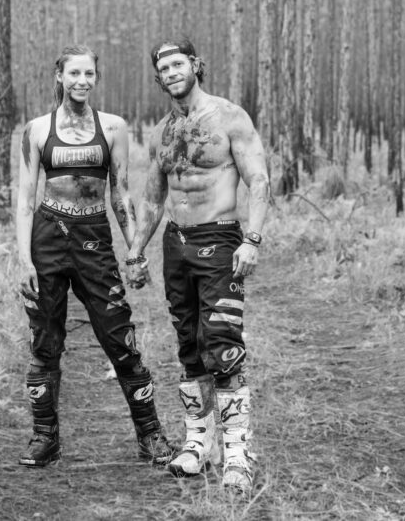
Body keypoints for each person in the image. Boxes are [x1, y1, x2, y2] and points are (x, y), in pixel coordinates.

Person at [15, 45, 174, 468]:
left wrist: (135, 251)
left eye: (89, 74)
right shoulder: (36, 130)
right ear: (59, 76)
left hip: (93, 240)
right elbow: (25, 198)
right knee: (44, 343)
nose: (82, 81)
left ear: (96, 79)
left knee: (120, 337)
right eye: (74, 73)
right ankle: (44, 439)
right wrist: (23, 259)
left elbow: (121, 194)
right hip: (47, 238)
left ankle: (150, 435)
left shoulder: (114, 127)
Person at [126, 38, 270, 495]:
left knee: (222, 343)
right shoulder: (162, 132)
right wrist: (135, 251)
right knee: (189, 343)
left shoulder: (230, 116)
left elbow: (259, 178)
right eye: (162, 67)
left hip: (220, 238)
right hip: (177, 243)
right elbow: (152, 197)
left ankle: (238, 452)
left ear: (195, 65)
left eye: (177, 63)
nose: (170, 72)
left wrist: (252, 239)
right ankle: (198, 442)